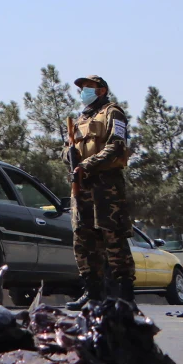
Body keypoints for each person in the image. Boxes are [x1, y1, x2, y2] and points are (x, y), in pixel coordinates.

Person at [64, 75, 135, 308]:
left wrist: (88, 164)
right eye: (81, 88)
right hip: (81, 185)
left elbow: (117, 145)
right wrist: (69, 157)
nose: (83, 91)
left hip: (106, 185)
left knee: (113, 237)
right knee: (83, 239)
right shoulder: (80, 119)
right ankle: (92, 292)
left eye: (88, 87)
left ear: (102, 90)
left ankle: (125, 295)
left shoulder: (113, 112)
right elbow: (66, 148)